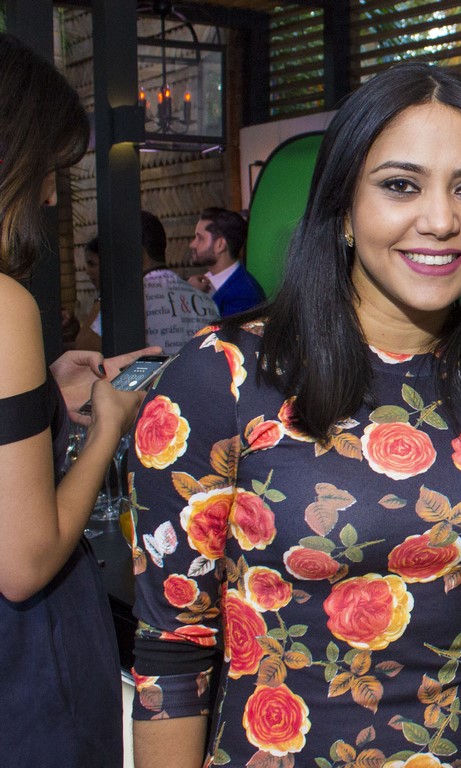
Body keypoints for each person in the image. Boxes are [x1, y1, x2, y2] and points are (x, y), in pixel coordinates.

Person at [128, 64, 461, 767]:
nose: (441, 220)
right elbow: (172, 649)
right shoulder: (223, 376)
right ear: (344, 207)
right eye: (400, 185)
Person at [0, 32, 156, 766]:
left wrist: (47, 395)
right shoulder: (4, 306)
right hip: (25, 667)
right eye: (48, 169)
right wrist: (105, 429)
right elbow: (25, 561)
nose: (53, 195)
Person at [75, 211, 221, 354]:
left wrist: (106, 292)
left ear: (135, 252)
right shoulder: (206, 300)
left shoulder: (126, 300)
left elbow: (84, 352)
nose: (111, 261)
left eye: (116, 252)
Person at [188, 206, 265, 316]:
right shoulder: (202, 283)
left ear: (220, 245)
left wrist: (192, 296)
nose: (192, 244)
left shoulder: (245, 295)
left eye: (200, 238)